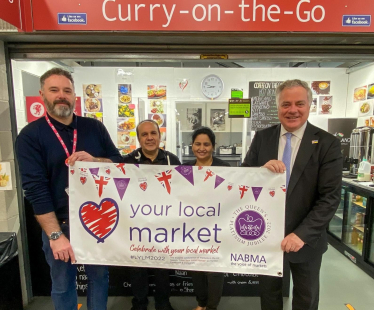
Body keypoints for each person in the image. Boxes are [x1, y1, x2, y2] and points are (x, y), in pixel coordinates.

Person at [15, 68, 122, 310]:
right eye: (54, 90)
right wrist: (55, 236)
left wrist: (97, 161)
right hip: (60, 224)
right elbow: (35, 189)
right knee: (63, 284)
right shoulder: (31, 136)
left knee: (99, 279)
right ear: (42, 94)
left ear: (75, 96)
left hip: (97, 220)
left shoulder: (94, 128)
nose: (61, 95)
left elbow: (119, 163)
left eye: (67, 90)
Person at [242, 79, 342, 310]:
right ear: (278, 107)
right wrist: (260, 172)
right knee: (268, 296)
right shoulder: (263, 137)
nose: (292, 110)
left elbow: (330, 197)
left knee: (305, 298)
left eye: (299, 103)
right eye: (286, 104)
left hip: (307, 240)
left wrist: (302, 234)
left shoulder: (327, 143)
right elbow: (245, 177)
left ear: (309, 106)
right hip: (266, 236)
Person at [122, 119, 181, 310]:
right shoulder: (128, 161)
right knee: (137, 268)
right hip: (137, 224)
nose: (149, 138)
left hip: (164, 224)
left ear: (160, 135)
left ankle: (163, 303)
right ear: (138, 138)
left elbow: (184, 191)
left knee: (163, 268)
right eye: (144, 134)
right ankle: (139, 304)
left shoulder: (173, 160)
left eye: (153, 133)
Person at [183, 127, 230, 310]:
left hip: (217, 228)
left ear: (213, 146)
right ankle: (201, 303)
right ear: (192, 146)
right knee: (196, 269)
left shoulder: (223, 168)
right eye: (197, 144)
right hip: (192, 229)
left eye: (206, 144)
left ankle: (211, 307)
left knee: (214, 270)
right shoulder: (185, 169)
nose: (201, 148)